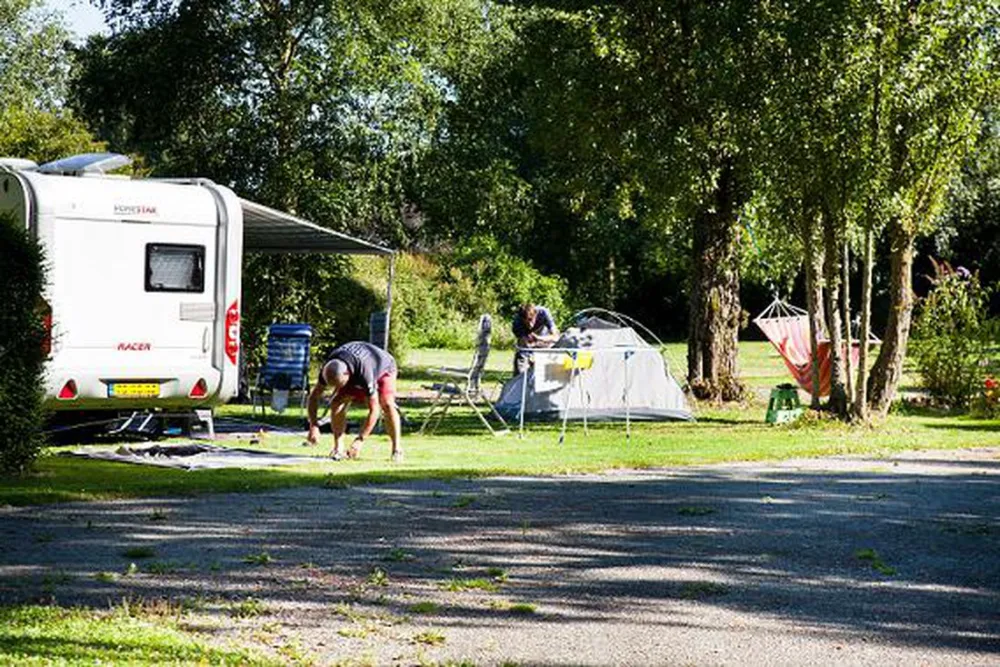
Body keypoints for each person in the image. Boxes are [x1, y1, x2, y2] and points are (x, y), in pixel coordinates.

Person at [306, 341, 403, 462]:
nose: (337, 388)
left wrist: (360, 440)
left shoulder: (364, 372)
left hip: (384, 368)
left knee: (387, 404)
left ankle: (397, 449)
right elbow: (313, 397)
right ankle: (338, 447)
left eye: (339, 385)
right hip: (352, 368)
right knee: (336, 402)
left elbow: (374, 409)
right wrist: (313, 426)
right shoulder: (328, 368)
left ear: (346, 375)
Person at [511, 303, 560, 374]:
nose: (530, 325)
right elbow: (526, 344)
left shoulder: (544, 313)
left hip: (545, 344)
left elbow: (556, 337)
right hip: (526, 349)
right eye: (526, 322)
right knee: (520, 369)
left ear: (536, 314)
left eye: (531, 320)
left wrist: (538, 338)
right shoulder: (517, 322)